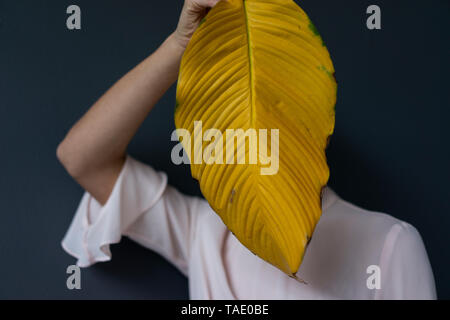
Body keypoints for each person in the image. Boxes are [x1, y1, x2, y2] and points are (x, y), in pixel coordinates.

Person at [57, 0, 436, 299]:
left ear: (315, 116)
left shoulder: (389, 244)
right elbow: (81, 158)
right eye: (232, 110)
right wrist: (179, 46)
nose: (254, 126)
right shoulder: (205, 232)